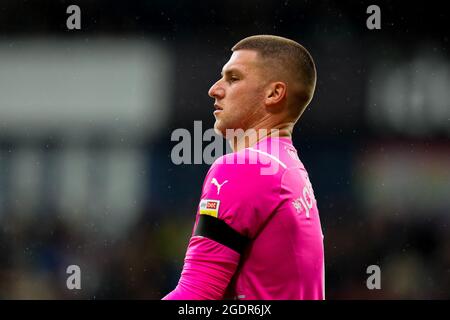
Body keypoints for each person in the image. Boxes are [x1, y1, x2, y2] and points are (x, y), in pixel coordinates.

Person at [163, 35, 324, 300]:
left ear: (274, 94)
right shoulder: (290, 169)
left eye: (233, 78)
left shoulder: (244, 167)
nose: (214, 89)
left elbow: (196, 296)